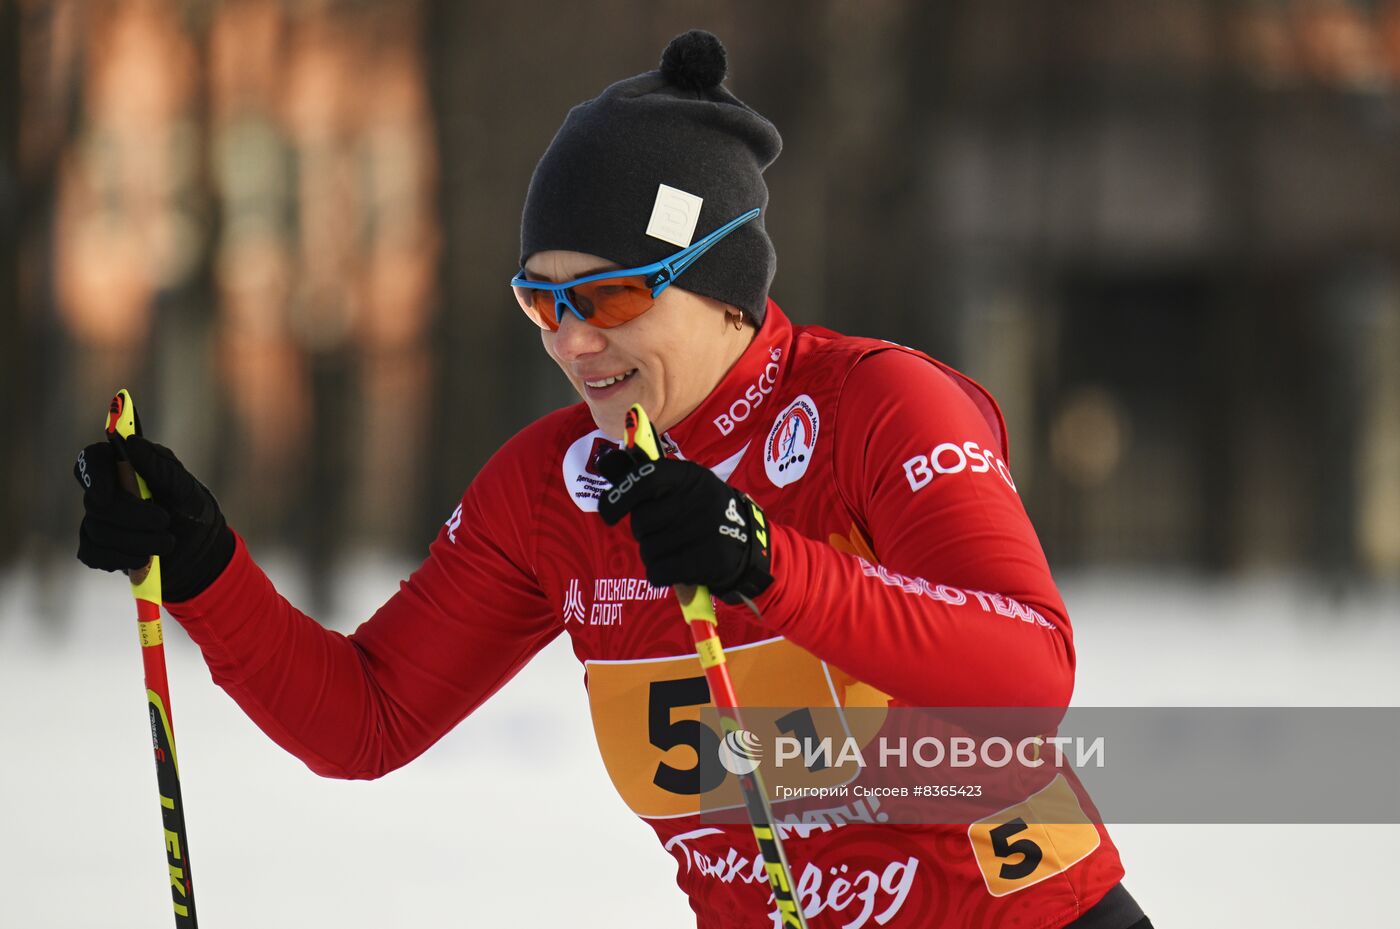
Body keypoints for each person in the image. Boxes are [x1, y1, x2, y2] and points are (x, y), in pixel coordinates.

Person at [75, 30, 1150, 929]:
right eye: (541, 303)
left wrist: (771, 567)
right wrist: (206, 569)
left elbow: (1025, 668)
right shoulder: (553, 490)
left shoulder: (877, 407)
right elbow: (366, 717)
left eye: (613, 298)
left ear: (724, 286)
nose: (573, 342)